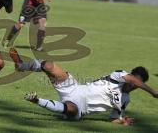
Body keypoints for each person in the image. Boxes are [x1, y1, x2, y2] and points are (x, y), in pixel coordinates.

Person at [9, 48, 158, 125]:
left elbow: (113, 118)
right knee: (47, 65)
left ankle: (37, 100)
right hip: (74, 88)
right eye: (134, 82)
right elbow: (133, 79)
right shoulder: (118, 76)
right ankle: (21, 65)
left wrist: (122, 121)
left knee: (70, 109)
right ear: (130, 77)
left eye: (137, 85)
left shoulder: (125, 100)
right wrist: (153, 92)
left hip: (79, 108)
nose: (133, 85)